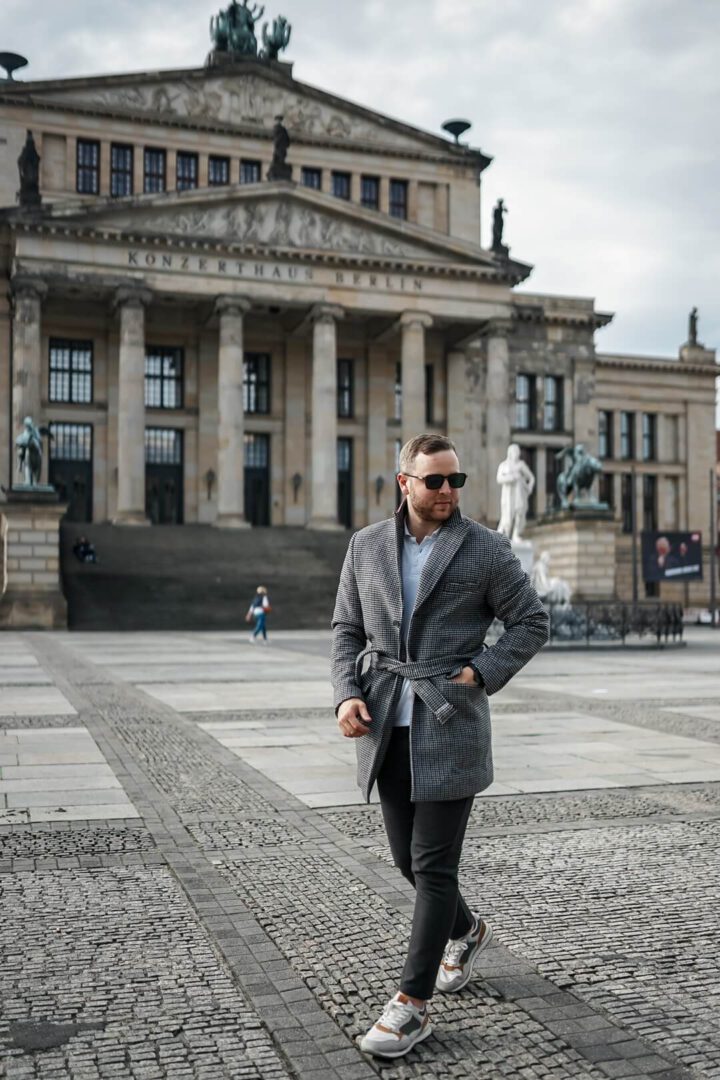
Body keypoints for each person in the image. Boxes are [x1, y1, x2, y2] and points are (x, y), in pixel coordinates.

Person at [331, 433, 548, 1060]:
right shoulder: (365, 546)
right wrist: (347, 694)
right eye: (435, 481)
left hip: (449, 722)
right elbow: (347, 629)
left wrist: (481, 673)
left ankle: (411, 1005)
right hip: (384, 723)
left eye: (456, 480)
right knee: (408, 862)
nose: (448, 491)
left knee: (431, 866)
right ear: (405, 483)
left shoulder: (484, 547)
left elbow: (532, 620)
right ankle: (468, 929)